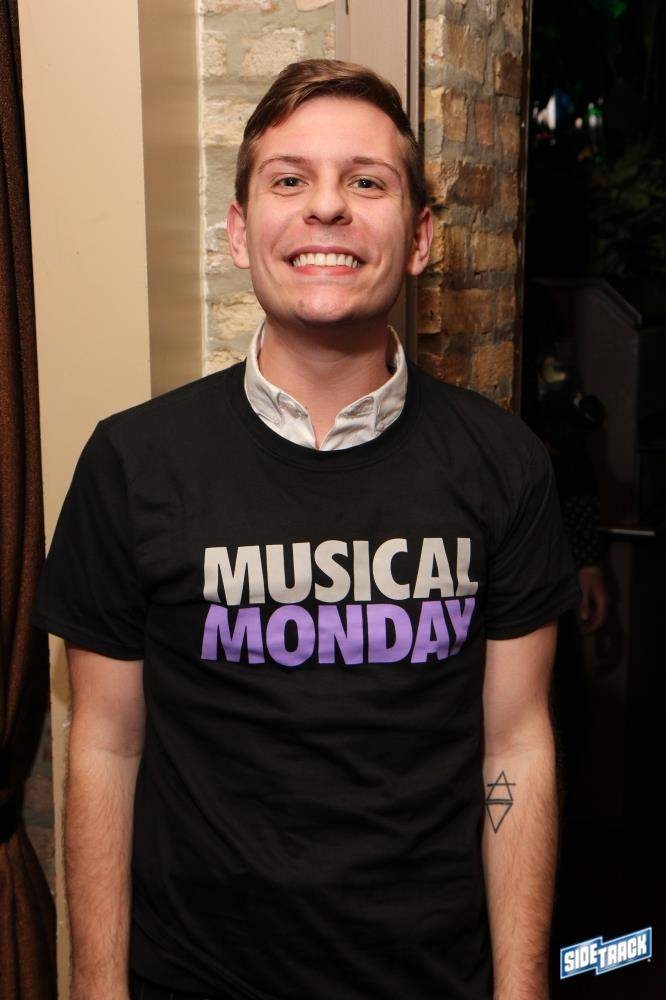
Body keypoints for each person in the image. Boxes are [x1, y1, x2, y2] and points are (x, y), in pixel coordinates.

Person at [32, 60, 580, 1000]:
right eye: (289, 180)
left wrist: (522, 991)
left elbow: (516, 746)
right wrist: (96, 988)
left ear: (419, 237)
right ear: (240, 232)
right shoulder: (133, 462)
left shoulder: (505, 465)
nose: (326, 207)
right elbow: (105, 747)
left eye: (366, 181)